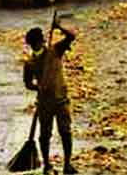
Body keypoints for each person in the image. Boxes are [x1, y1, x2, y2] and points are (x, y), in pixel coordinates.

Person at [23, 19, 78, 175]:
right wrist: (38, 87)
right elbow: (28, 83)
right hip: (45, 104)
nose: (42, 44)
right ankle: (47, 165)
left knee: (65, 132)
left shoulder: (55, 51)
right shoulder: (30, 63)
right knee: (45, 135)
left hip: (61, 100)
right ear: (35, 43)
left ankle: (67, 164)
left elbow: (71, 36)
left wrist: (59, 27)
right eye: (39, 42)